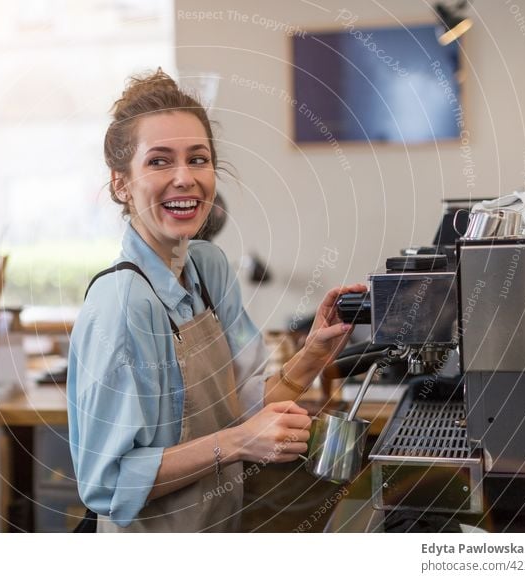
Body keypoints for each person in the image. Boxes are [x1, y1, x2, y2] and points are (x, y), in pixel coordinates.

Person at [67, 69, 366, 532]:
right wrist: (241, 443)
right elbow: (106, 484)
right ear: (121, 184)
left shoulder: (208, 268)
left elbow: (244, 408)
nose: (184, 178)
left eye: (198, 159)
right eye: (159, 161)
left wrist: (313, 356)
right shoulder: (122, 304)